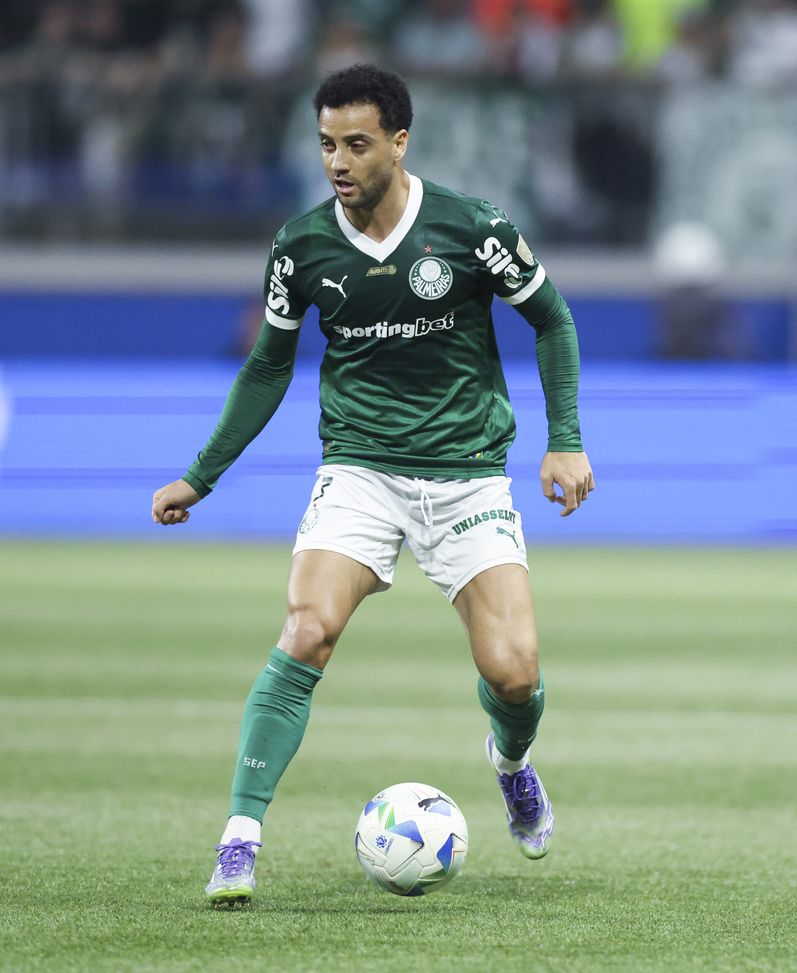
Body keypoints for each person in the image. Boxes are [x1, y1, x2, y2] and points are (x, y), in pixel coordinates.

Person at [151, 63, 594, 908]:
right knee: (306, 628)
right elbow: (266, 369)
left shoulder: (473, 227)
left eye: (355, 143)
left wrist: (564, 441)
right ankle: (239, 841)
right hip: (359, 469)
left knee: (512, 673)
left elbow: (553, 320)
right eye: (325, 145)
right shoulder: (302, 245)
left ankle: (509, 765)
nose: (337, 162)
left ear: (399, 140)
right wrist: (199, 475)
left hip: (466, 475)